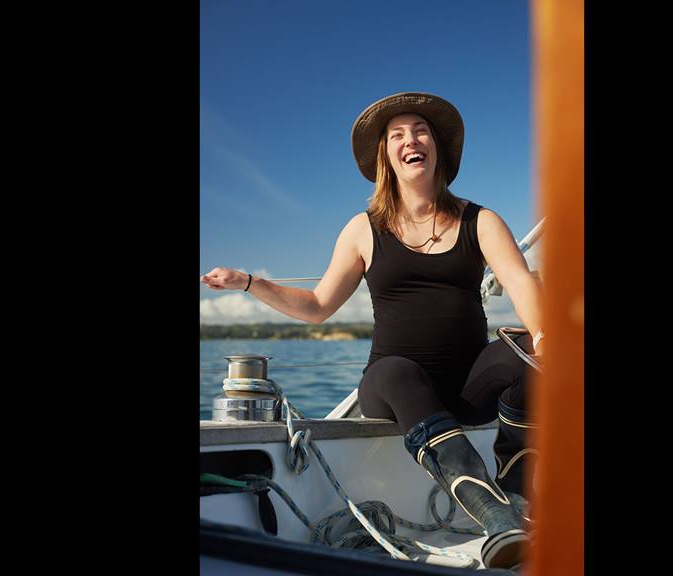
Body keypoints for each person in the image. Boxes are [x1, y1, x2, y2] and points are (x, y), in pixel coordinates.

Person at [201, 92, 543, 569]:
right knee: (395, 371)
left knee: (531, 351)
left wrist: (545, 335)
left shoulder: (480, 220)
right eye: (397, 135)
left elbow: (520, 283)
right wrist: (251, 283)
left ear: (437, 147)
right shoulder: (363, 229)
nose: (410, 140)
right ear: (386, 155)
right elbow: (318, 306)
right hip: (395, 389)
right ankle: (492, 514)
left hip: (467, 388)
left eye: (419, 130)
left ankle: (515, 491)